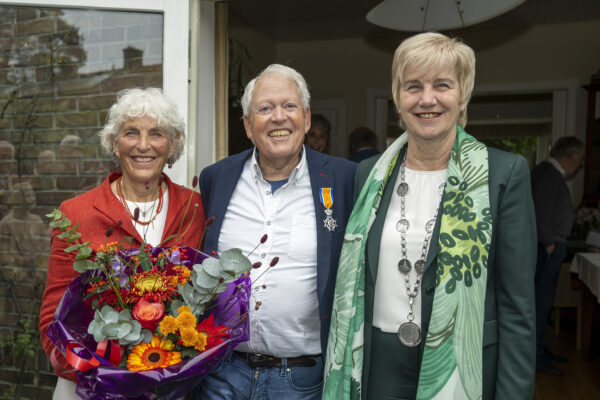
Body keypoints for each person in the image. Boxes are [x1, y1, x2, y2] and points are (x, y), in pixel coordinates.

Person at [323, 32, 537, 399]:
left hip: (463, 366)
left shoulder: (504, 174)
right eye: (413, 86)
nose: (427, 99)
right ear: (397, 96)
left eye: (442, 85)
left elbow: (518, 309)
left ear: (463, 94)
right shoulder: (369, 174)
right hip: (375, 365)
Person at [190, 64, 356, 399]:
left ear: (307, 119)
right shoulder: (216, 178)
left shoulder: (345, 179)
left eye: (289, 106)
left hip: (302, 380)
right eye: (265, 109)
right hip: (221, 372)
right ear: (248, 126)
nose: (279, 117)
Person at [39, 88, 206, 400]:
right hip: (90, 387)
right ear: (115, 143)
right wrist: (97, 372)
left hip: (169, 387)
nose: (143, 145)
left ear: (172, 145)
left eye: (156, 134)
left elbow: (207, 304)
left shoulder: (194, 209)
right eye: (131, 133)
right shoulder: (75, 214)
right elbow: (52, 317)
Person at [531, 136, 584, 376]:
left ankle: (541, 348)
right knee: (540, 304)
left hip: (549, 247)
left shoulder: (549, 173)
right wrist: (550, 242)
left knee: (544, 302)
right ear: (569, 155)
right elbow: (539, 212)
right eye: (579, 159)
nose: (579, 164)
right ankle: (535, 356)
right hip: (546, 248)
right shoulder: (547, 173)